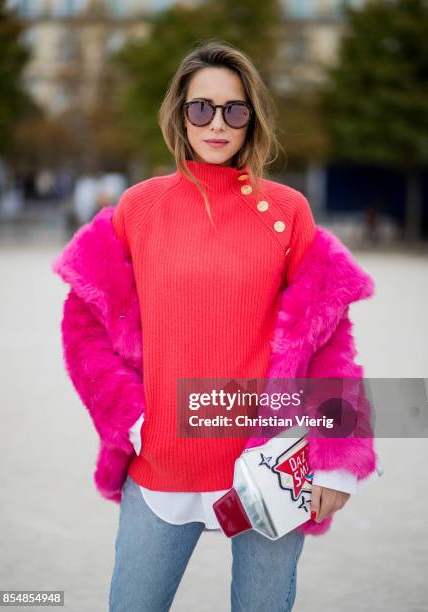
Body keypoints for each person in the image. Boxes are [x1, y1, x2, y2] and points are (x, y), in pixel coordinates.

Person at [52, 42, 378, 612]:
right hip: (162, 460)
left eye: (235, 109)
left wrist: (336, 457)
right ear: (180, 113)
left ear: (253, 117)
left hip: (273, 464)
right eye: (202, 107)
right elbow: (85, 325)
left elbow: (329, 341)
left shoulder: (289, 211)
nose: (218, 123)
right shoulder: (138, 208)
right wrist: (128, 417)